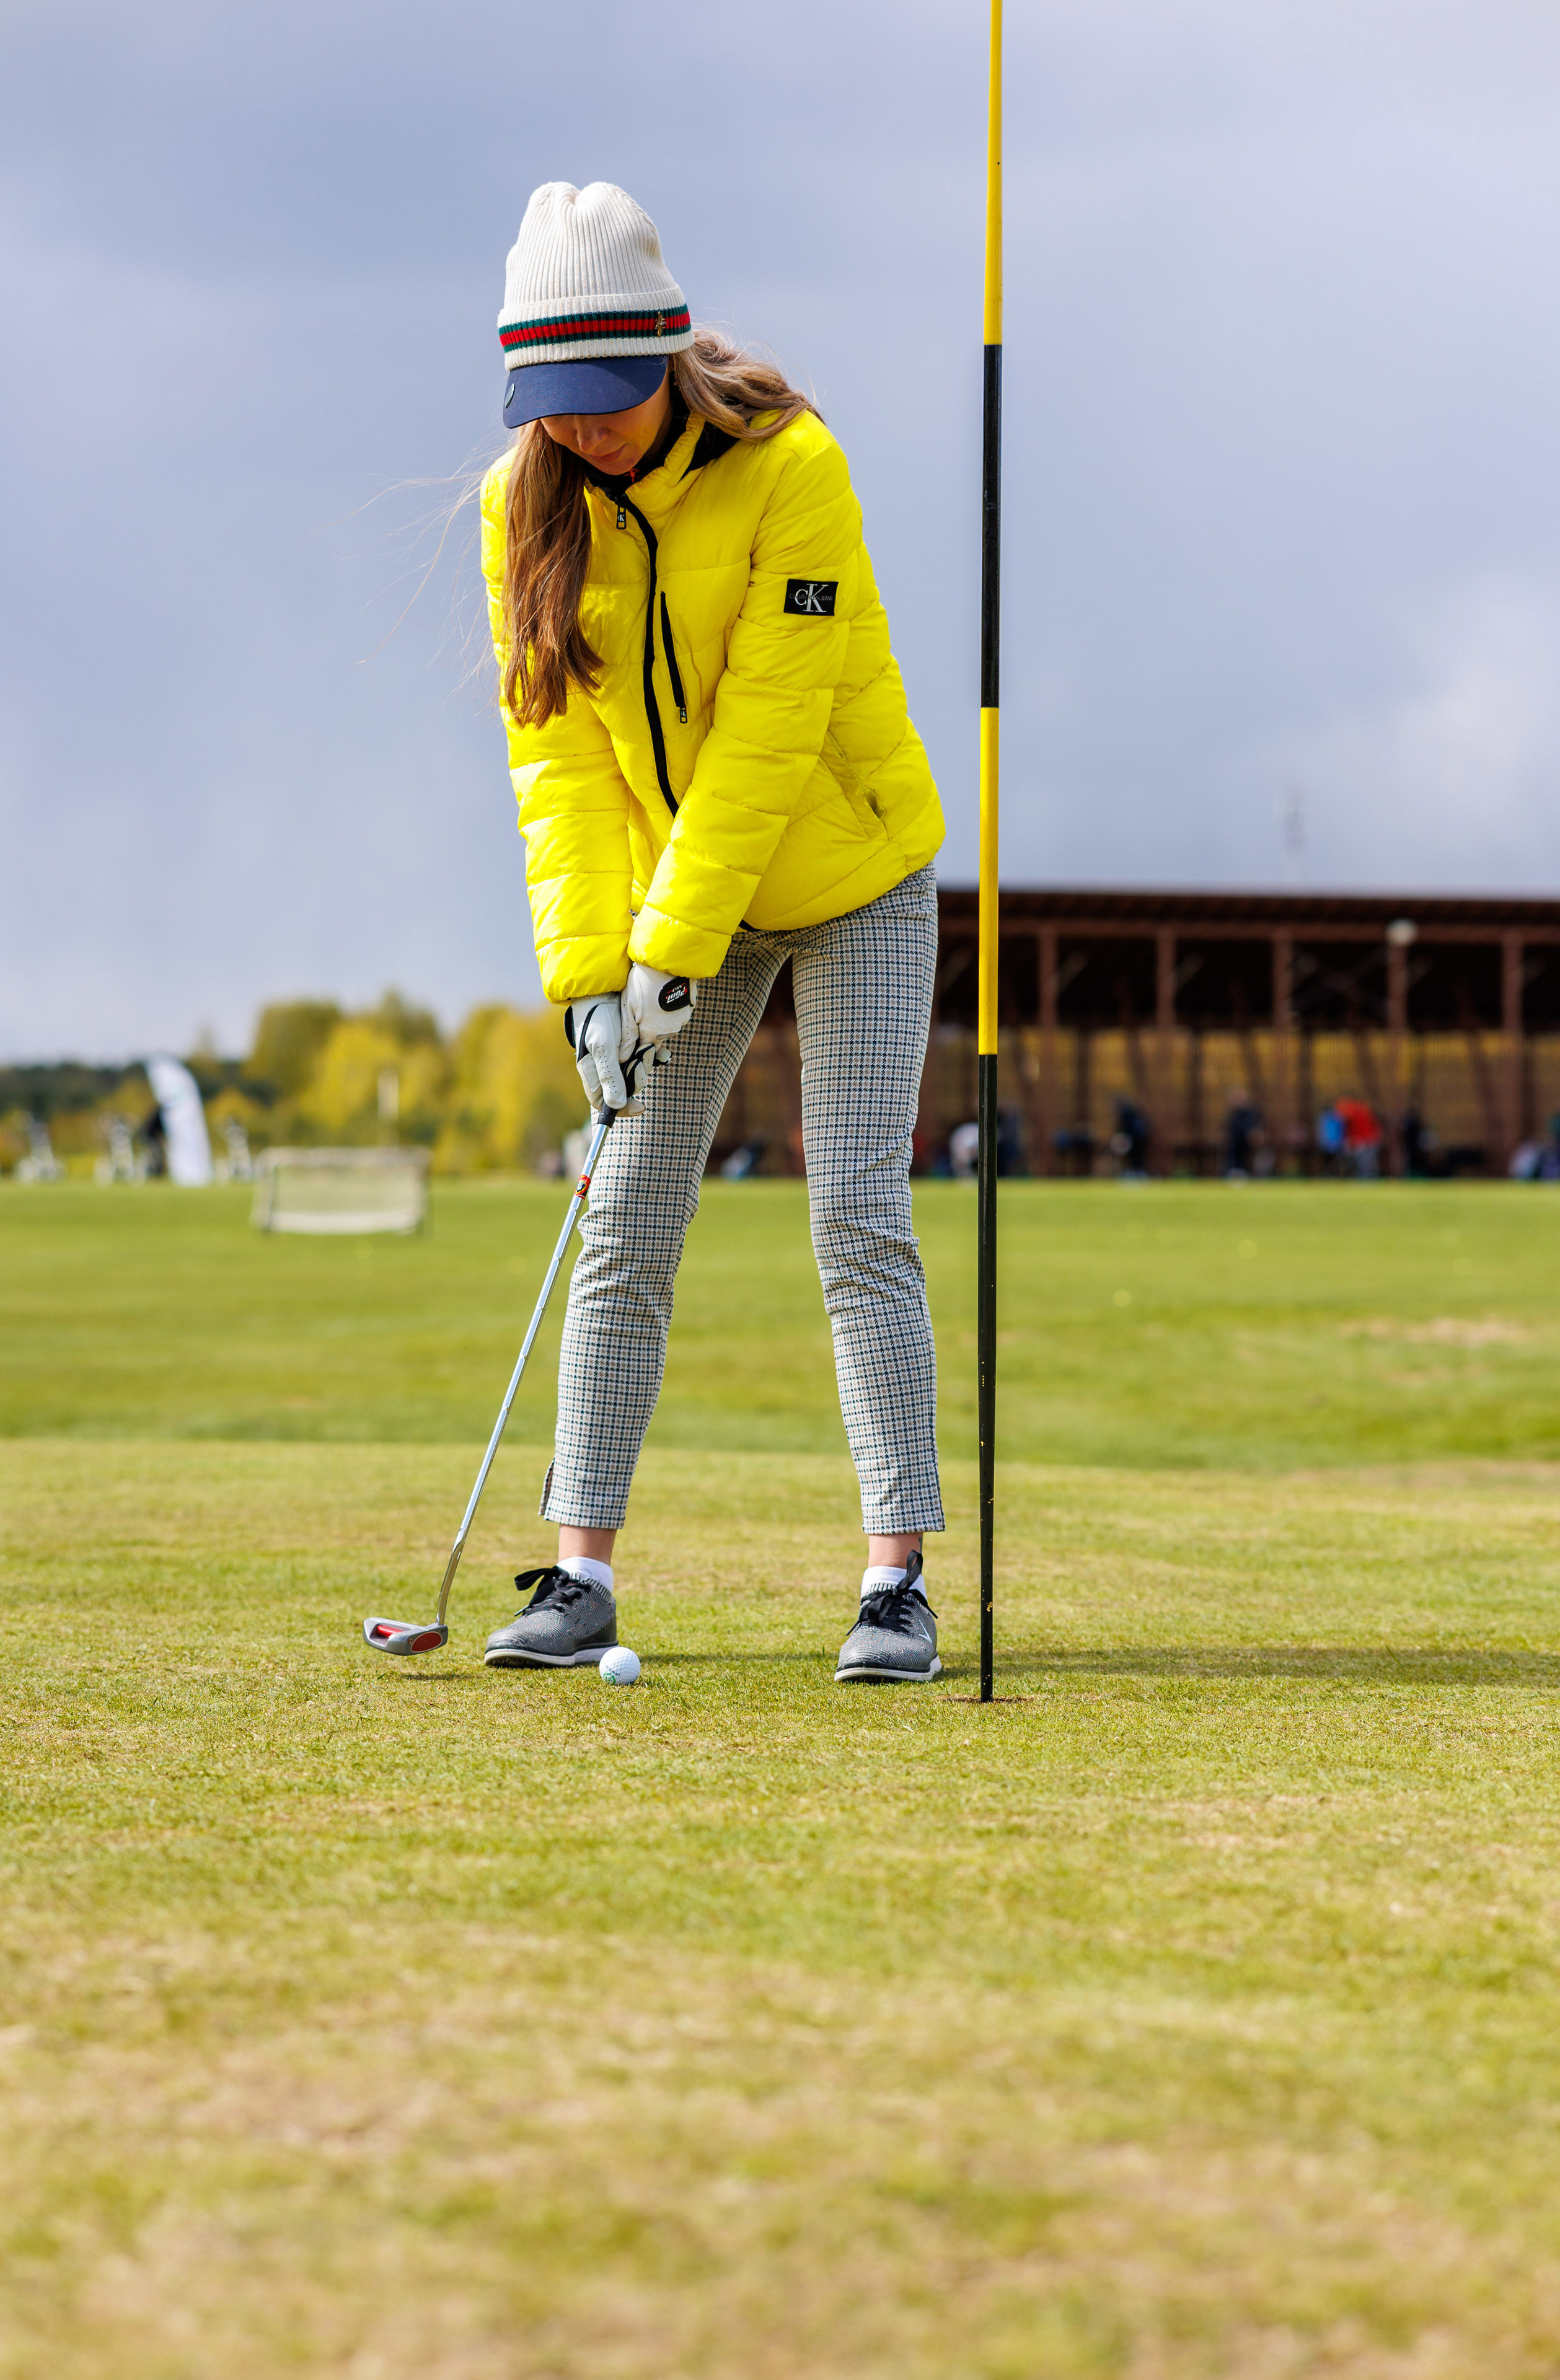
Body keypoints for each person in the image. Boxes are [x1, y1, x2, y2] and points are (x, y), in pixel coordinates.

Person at [476, 182, 946, 1684]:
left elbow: (764, 733)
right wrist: (589, 980)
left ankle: (894, 1585)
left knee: (854, 1217)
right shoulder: (522, 503)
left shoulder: (791, 467)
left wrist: (669, 951)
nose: (583, 430)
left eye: (604, 397)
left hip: (851, 872)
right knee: (623, 1216)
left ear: (666, 354)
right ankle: (576, 1571)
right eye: (553, 404)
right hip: (684, 902)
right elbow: (553, 763)